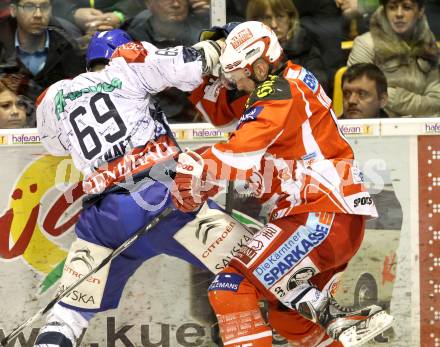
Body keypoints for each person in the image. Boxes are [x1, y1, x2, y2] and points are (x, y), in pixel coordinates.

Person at [173, 21, 394, 347]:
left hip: (318, 215)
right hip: (331, 219)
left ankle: (328, 311)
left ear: (260, 65)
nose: (239, 86)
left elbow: (241, 152)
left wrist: (197, 167)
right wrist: (193, 73)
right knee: (288, 316)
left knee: (231, 287)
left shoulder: (276, 90)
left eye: (241, 77)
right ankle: (329, 317)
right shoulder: (283, 81)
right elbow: (222, 114)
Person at [32, 29, 238, 347]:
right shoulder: (128, 62)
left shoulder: (55, 96)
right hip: (161, 199)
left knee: (68, 313)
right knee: (255, 263)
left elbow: (55, 145)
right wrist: (221, 44)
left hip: (103, 220)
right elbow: (191, 64)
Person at [347, 0, 440, 117]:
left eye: (407, 7)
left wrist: (385, 94)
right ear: (384, 11)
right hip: (378, 126)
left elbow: (436, 102)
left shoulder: (429, 46)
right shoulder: (366, 44)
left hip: (420, 126)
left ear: (420, 11)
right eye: (392, 7)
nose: (399, 14)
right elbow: (360, 97)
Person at [123, 0, 210, 123]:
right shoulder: (134, 39)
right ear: (149, 4)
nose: (176, 4)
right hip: (151, 118)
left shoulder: (202, 34)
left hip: (197, 117)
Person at [0, 0, 85, 102]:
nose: (38, 14)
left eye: (44, 7)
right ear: (13, 10)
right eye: (29, 7)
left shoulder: (68, 46)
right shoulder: (2, 49)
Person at [245, 0, 330, 93]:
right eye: (267, 18)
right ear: (254, 22)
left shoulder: (306, 49)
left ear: (291, 19)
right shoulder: (245, 55)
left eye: (280, 16)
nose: (274, 25)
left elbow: (318, 88)